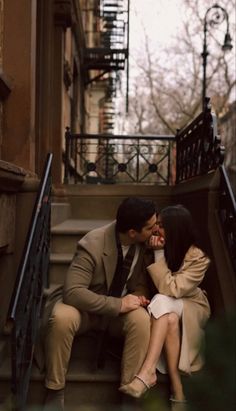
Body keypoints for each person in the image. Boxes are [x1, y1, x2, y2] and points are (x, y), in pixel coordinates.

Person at [42, 197, 157, 410]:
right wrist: (118, 304)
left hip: (117, 316)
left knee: (141, 320)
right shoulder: (92, 243)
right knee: (62, 317)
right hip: (85, 310)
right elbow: (73, 292)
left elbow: (140, 283)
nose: (155, 230)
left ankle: (130, 394)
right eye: (151, 227)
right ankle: (54, 389)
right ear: (133, 232)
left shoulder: (144, 244)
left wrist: (138, 297)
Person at [119, 205, 211, 411]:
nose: (156, 230)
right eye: (156, 225)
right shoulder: (151, 248)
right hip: (166, 312)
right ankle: (178, 393)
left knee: (162, 299)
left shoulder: (198, 258)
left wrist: (159, 254)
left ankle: (147, 372)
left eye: (161, 225)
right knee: (168, 318)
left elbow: (172, 290)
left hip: (192, 308)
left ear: (176, 228)